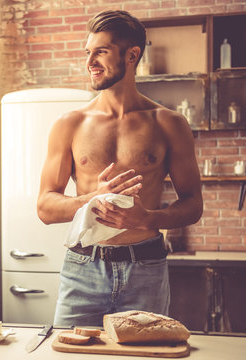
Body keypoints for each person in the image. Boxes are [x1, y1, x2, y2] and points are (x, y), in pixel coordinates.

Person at [36, 9, 203, 327]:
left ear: (132, 55)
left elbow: (194, 204)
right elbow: (45, 207)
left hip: (146, 267)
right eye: (88, 52)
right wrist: (91, 198)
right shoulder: (70, 124)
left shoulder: (168, 123)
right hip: (83, 266)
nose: (90, 62)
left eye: (101, 51)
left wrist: (149, 218)